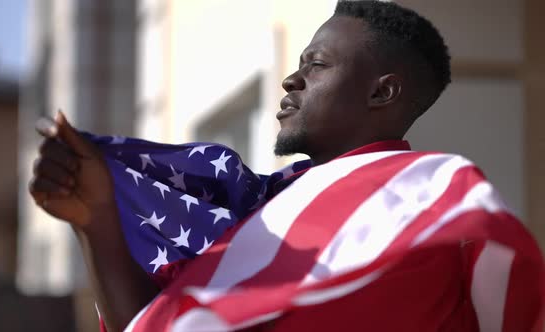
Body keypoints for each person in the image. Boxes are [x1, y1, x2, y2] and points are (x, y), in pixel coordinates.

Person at [29, 1, 544, 331]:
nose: (290, 81)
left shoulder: (420, 203)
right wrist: (96, 220)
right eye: (297, 64)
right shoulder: (266, 209)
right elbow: (166, 324)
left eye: (316, 65)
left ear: (382, 91)